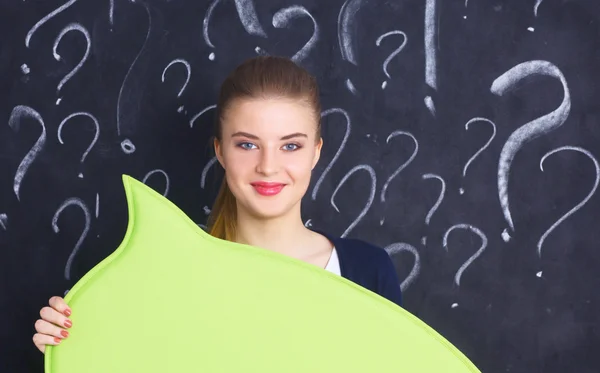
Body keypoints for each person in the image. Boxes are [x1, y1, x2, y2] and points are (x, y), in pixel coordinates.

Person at [32, 56, 403, 354]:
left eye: (290, 145)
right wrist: (71, 346)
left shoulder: (369, 273)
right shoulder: (166, 276)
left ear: (316, 153)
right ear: (220, 151)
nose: (268, 166)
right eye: (247, 144)